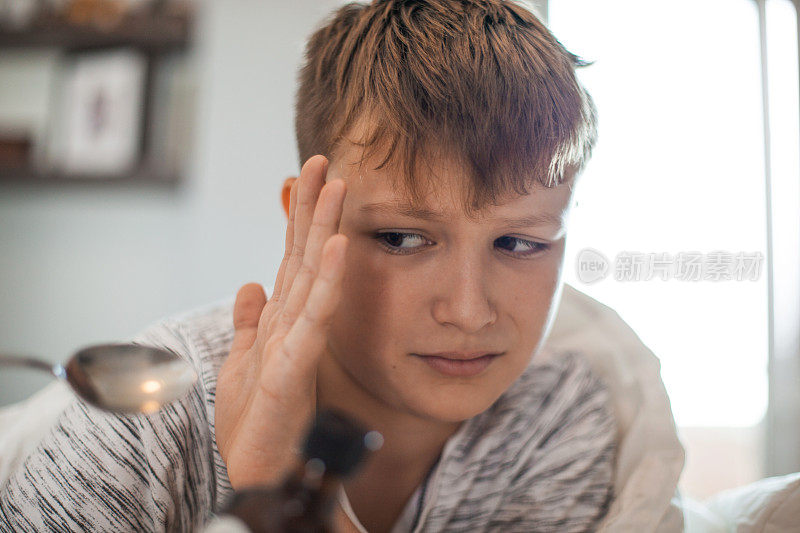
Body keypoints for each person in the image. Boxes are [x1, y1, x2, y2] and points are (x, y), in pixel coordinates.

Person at [0, 1, 622, 531]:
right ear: (303, 219)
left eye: (518, 244)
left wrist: (284, 489)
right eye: (402, 238)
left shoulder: (558, 417)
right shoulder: (155, 409)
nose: (466, 310)